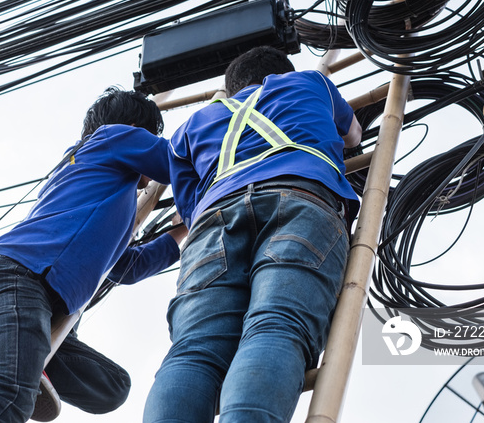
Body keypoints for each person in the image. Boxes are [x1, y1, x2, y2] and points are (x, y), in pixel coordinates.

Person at [0, 86, 187, 422]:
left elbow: (126, 267)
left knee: (112, 386)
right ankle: (18, 365)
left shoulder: (97, 183)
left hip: (24, 290)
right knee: (6, 398)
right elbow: (179, 160)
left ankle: (23, 356)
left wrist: (180, 229)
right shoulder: (113, 138)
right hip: (17, 277)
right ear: (133, 130)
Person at [143, 46, 361, 422]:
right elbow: (353, 135)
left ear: (231, 88)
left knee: (193, 351)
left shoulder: (195, 124)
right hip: (302, 199)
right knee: (277, 325)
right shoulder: (312, 83)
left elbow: (189, 208)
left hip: (214, 223)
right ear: (282, 72)